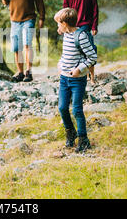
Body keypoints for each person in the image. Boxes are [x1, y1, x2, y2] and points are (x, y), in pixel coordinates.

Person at [54, 8, 97, 153]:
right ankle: (70, 133)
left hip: (77, 80)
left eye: (59, 24)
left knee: (77, 109)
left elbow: (92, 57)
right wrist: (60, 65)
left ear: (65, 23)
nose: (58, 27)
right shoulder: (66, 35)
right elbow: (65, 55)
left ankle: (83, 140)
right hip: (64, 79)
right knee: (62, 107)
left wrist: (79, 69)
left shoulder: (81, 36)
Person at [2, 0, 45, 82]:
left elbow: (39, 2)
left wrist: (42, 17)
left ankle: (28, 71)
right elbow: (4, 2)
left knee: (27, 44)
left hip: (29, 19)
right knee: (16, 47)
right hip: (14, 20)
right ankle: (20, 72)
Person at [62, 0, 99, 82]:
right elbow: (65, 10)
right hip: (71, 25)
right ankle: (80, 75)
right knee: (74, 51)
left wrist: (94, 25)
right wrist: (62, 25)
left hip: (85, 23)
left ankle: (92, 77)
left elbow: (95, 7)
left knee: (89, 49)